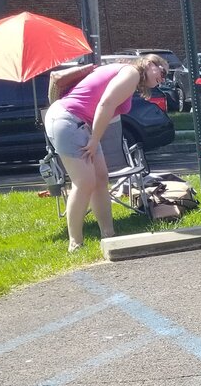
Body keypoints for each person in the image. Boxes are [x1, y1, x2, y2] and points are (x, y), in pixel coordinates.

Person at [44, 55, 167, 251]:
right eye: (163, 71)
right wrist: (93, 141)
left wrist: (94, 137)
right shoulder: (132, 73)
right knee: (84, 182)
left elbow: (104, 107)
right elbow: (105, 104)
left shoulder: (128, 75)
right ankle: (75, 242)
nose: (164, 78)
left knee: (100, 179)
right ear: (150, 63)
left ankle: (108, 235)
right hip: (67, 120)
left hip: (81, 124)